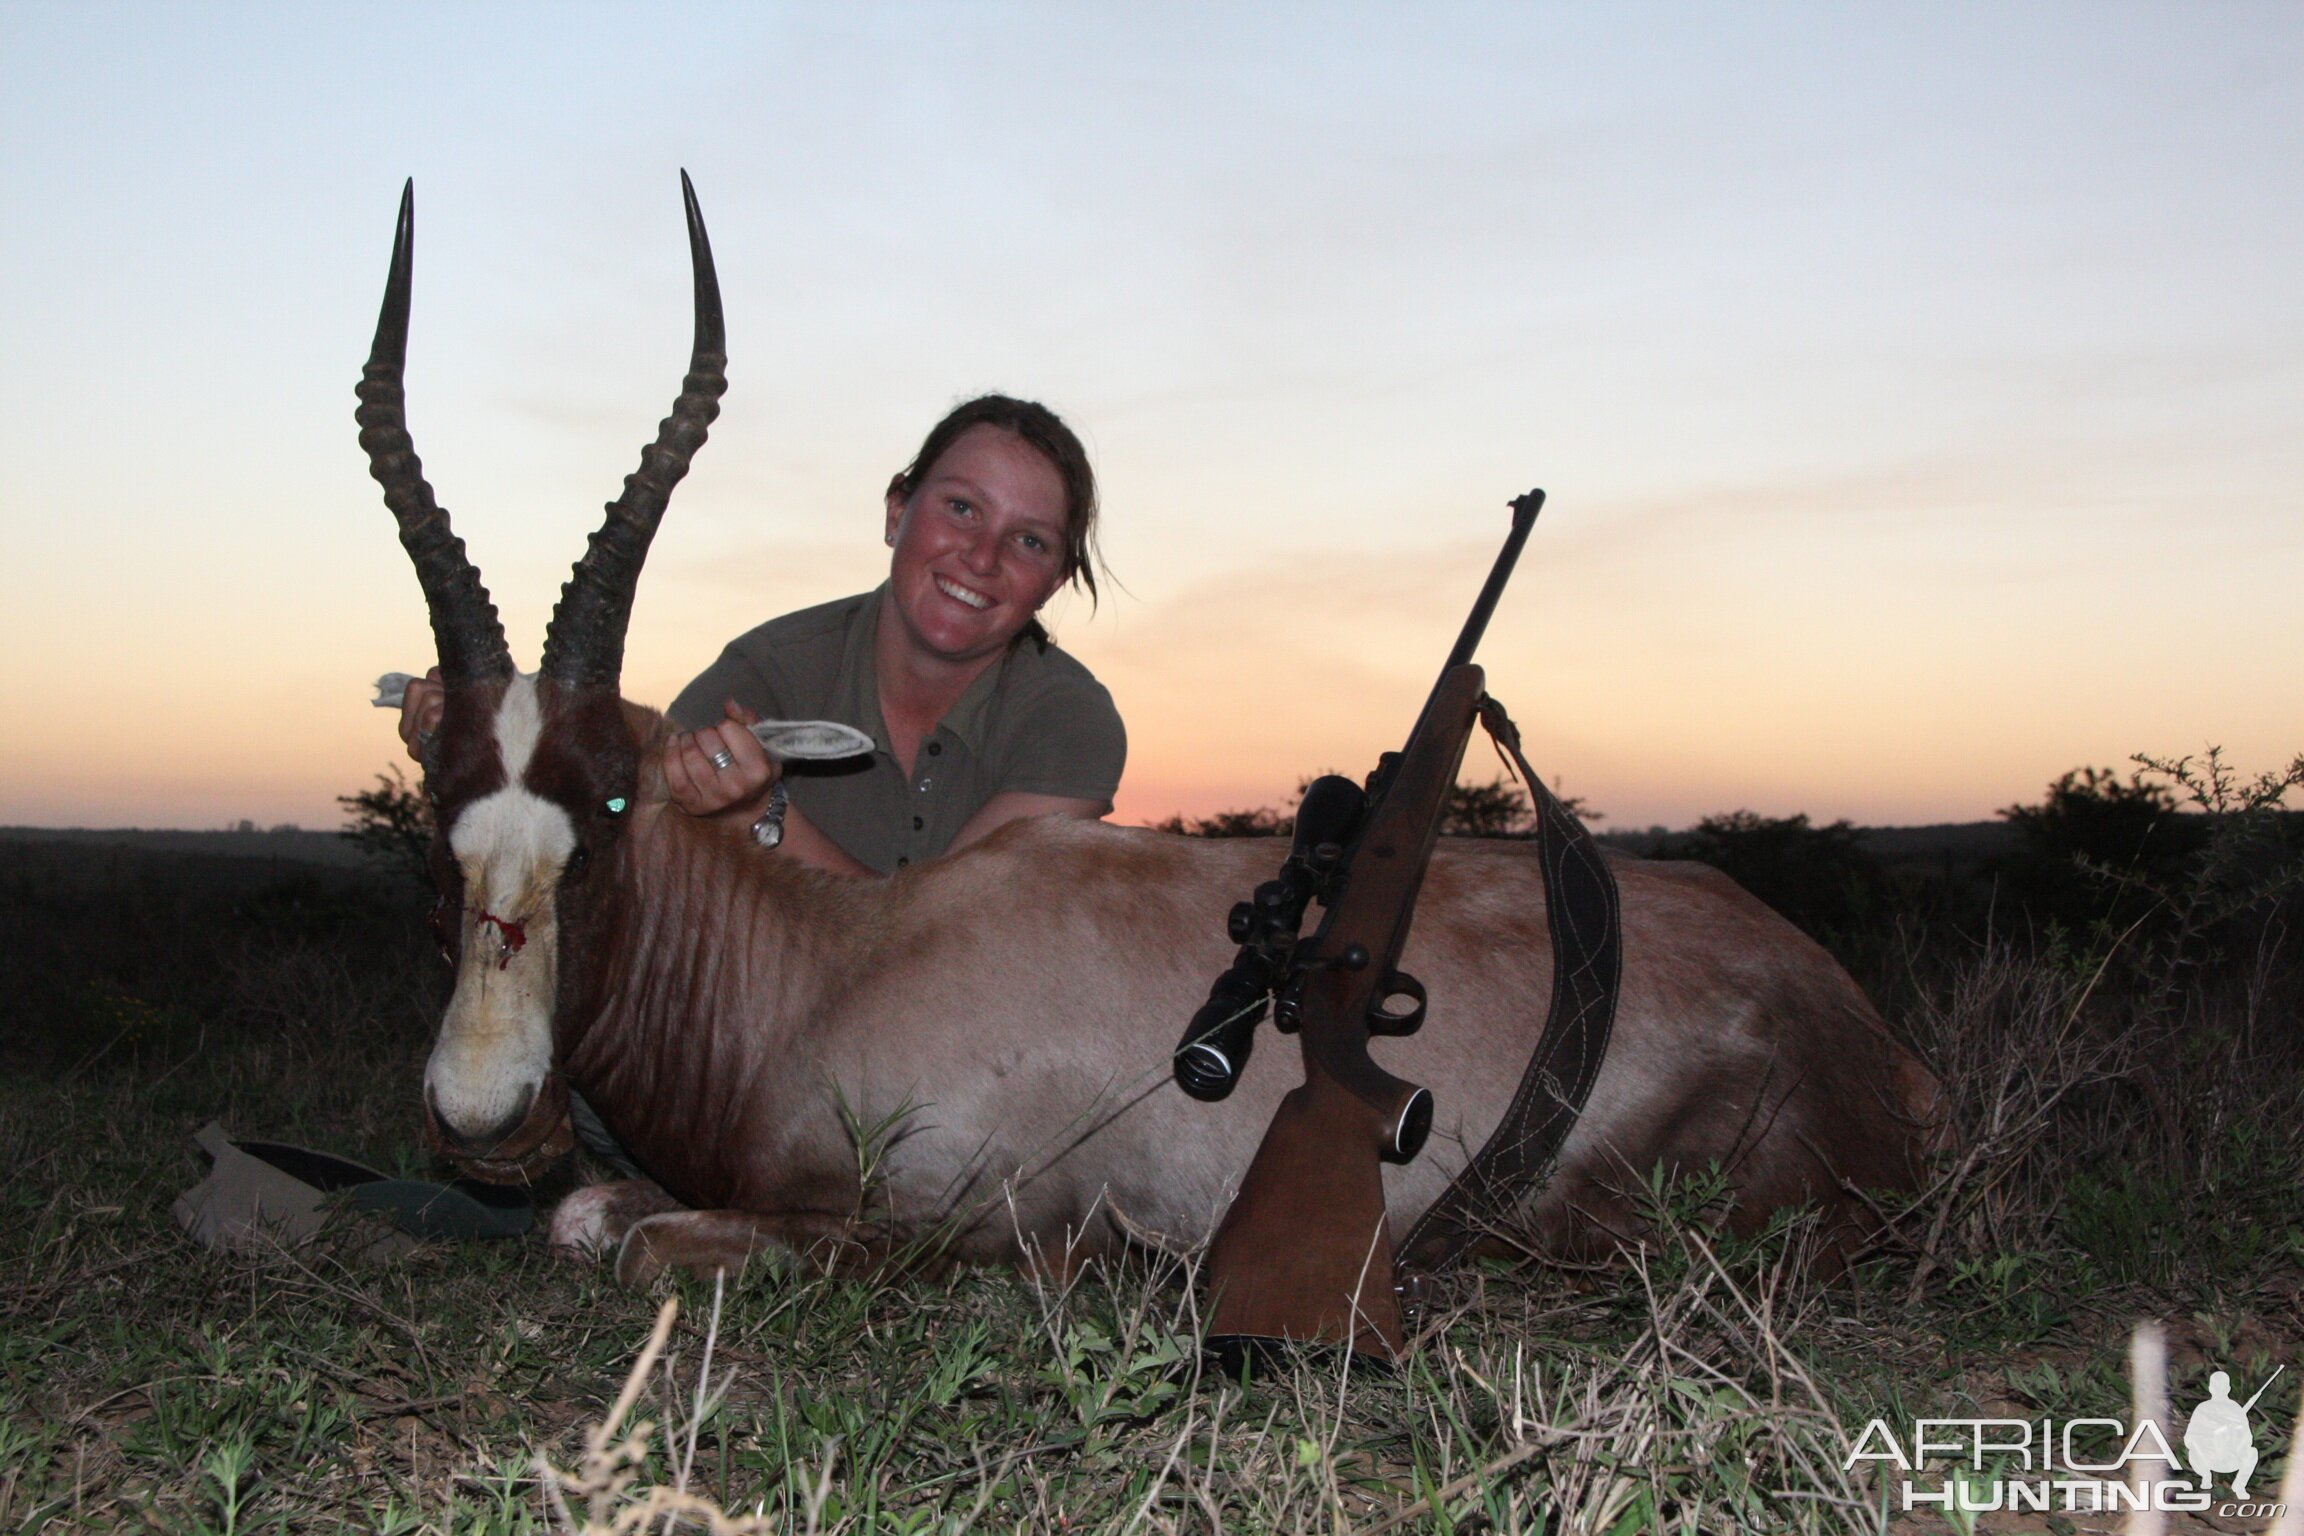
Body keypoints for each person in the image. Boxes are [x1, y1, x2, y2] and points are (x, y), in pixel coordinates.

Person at [397, 394, 1125, 875]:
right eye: (962, 508)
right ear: (896, 511)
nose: (983, 557)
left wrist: (760, 816)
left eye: (1029, 542)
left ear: (1056, 580)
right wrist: (477, 745)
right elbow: (615, 814)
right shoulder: (769, 670)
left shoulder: (1070, 723)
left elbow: (938, 945)